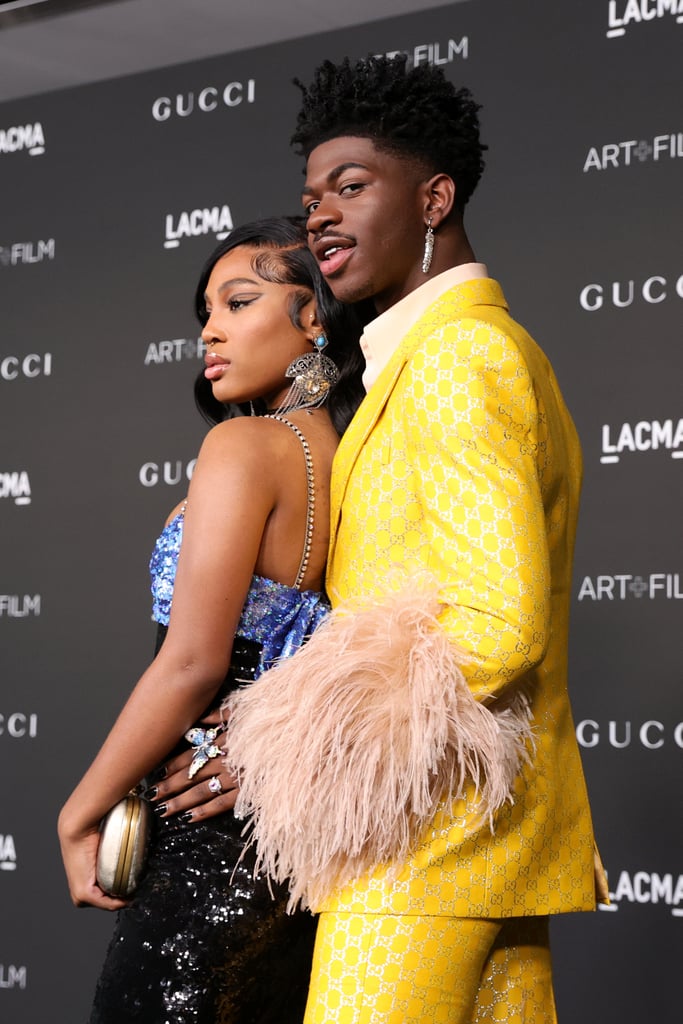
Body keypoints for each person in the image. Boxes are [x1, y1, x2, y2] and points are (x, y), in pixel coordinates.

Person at [220, 56, 610, 1024]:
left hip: (422, 837)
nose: (318, 215)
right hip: (486, 831)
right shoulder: (445, 351)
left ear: (433, 197)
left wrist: (293, 746)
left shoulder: (458, 354)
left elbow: (497, 622)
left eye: (350, 187)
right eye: (311, 195)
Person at [57, 216, 364, 1024]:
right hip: (283, 847)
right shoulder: (353, 454)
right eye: (205, 312)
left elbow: (191, 663)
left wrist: (80, 811)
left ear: (314, 318)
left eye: (237, 302)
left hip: (201, 834)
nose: (210, 331)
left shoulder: (244, 447)